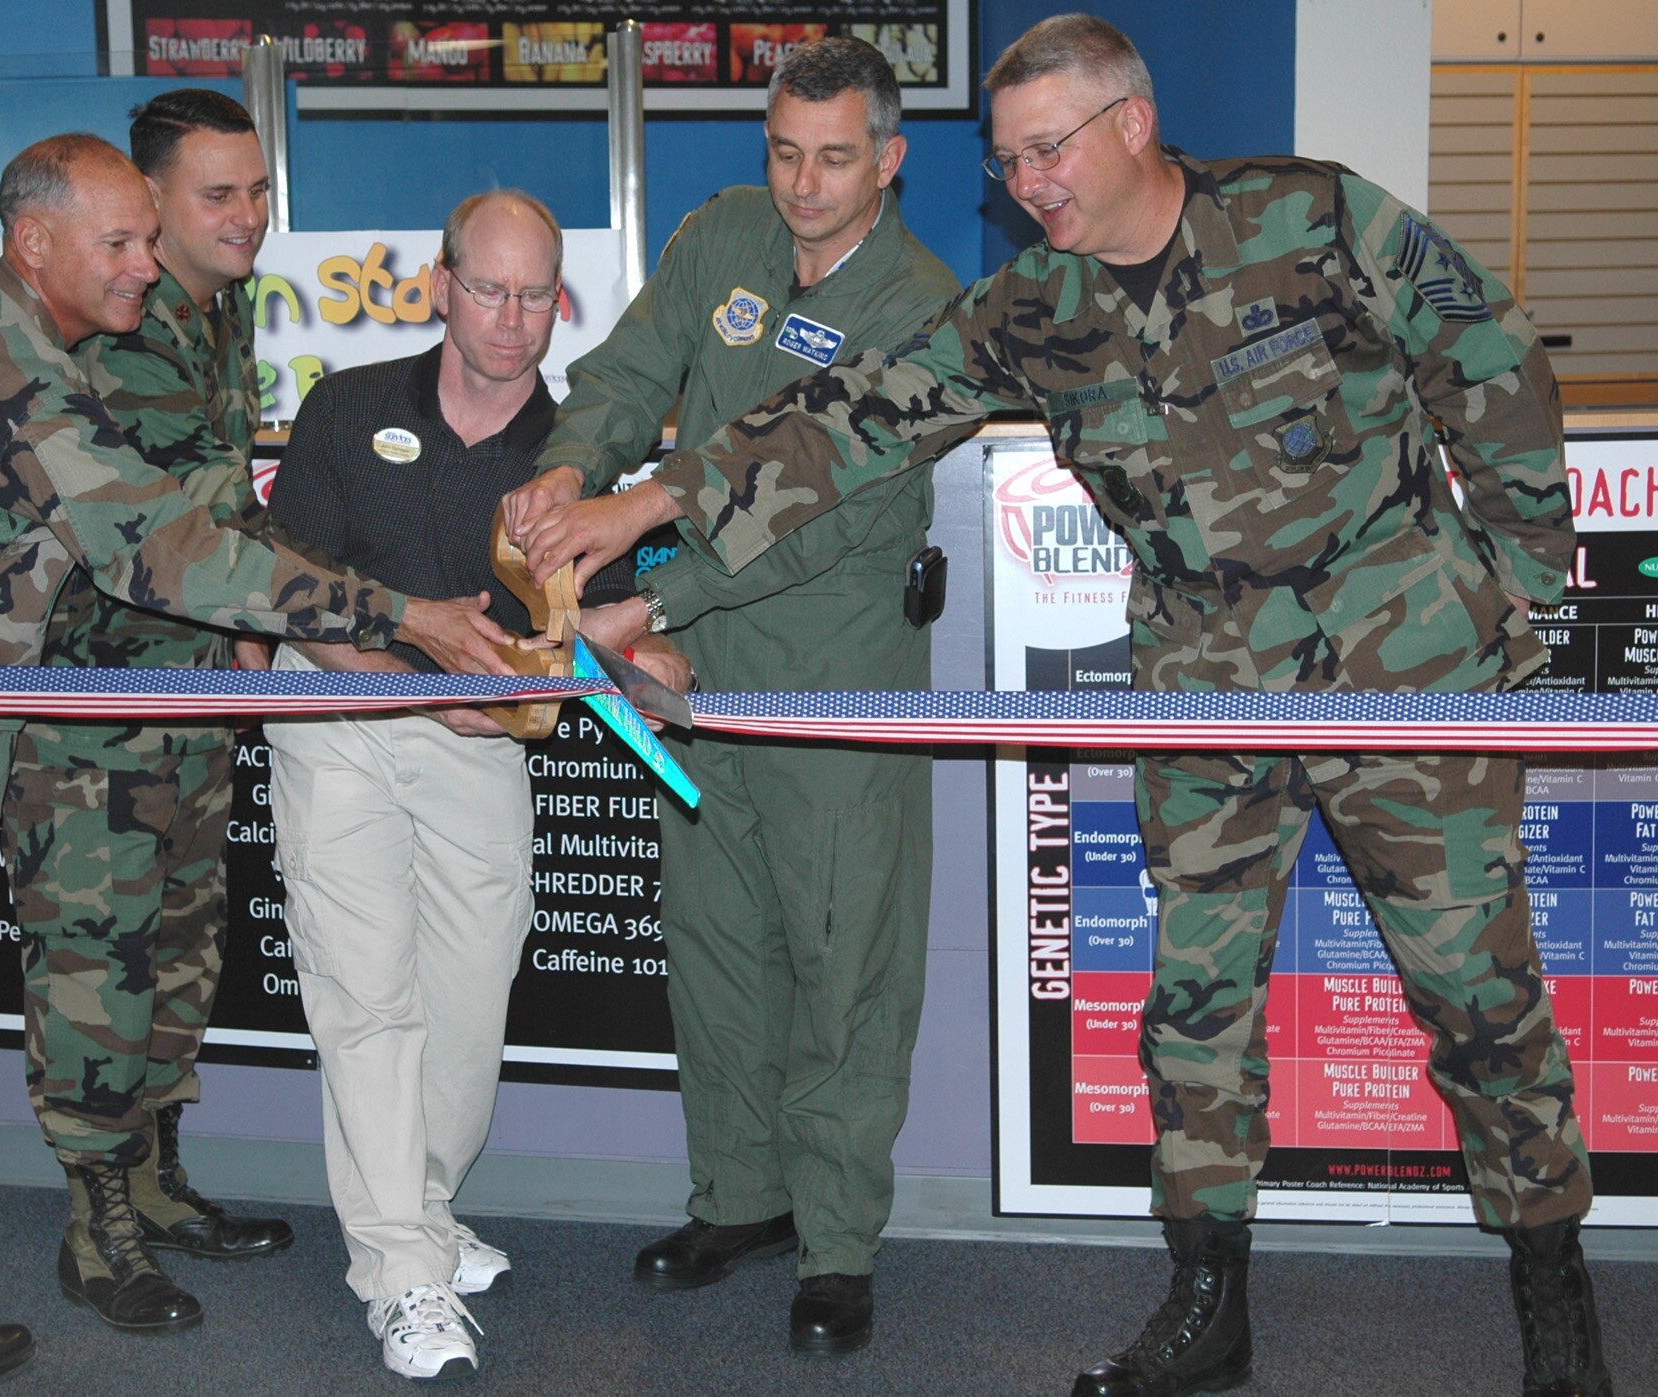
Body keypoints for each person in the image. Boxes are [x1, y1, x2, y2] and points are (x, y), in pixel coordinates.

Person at [510, 14, 1612, 1397]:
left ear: (1131, 124)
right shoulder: (1035, 306)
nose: (1028, 181)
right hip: (1205, 694)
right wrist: (649, 500)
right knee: (1197, 1004)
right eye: (1010, 157)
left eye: (1049, 150)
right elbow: (846, 418)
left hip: (1404, 673)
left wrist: (1518, 587)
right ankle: (1210, 1304)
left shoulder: (1308, 214)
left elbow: (1490, 353)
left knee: (1477, 996)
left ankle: (1555, 1302)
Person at [0, 132, 511, 1396]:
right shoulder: (14, 358)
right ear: (34, 242)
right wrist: (399, 615)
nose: (141, 263)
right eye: (118, 242)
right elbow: (153, 545)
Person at [502, 36, 961, 1356]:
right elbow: (634, 373)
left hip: (829, 671)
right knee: (715, 945)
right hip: (687, 674)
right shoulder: (723, 237)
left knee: (841, 958)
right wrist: (568, 468)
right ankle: (739, 1199)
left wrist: (650, 597)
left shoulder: (922, 304)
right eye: (784, 153)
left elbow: (833, 521)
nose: (805, 186)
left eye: (834, 159)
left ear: (889, 158)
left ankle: (835, 1243)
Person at [259, 190, 677, 1383]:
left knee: (468, 992)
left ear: (561, 300)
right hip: (338, 712)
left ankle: (423, 1208)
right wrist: (401, 677)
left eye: (535, 294)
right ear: (441, 284)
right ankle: (398, 1267)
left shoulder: (570, 449)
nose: (510, 318)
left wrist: (628, 637)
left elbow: (607, 610)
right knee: (367, 993)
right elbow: (292, 586)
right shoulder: (348, 407)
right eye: (487, 289)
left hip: (484, 736)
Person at [0, 91, 291, 1337]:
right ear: (150, 205)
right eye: (216, 195)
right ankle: (95, 1226)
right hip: (94, 715)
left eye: (258, 191)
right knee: (93, 970)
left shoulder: (213, 323)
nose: (246, 217)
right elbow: (187, 524)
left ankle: (156, 1181)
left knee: (176, 952)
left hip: (184, 699)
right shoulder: (109, 335)